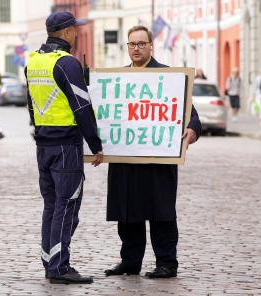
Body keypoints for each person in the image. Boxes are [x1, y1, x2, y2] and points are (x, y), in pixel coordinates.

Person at [104, 25, 202, 279]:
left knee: (161, 213)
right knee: (127, 215)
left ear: (151, 46)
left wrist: (192, 130)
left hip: (158, 160)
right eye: (132, 44)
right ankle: (130, 262)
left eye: (141, 44)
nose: (136, 48)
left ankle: (167, 262)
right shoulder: (116, 79)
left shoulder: (169, 78)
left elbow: (192, 116)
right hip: (125, 159)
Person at [25, 11, 104, 285]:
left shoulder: (33, 62)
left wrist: (39, 133)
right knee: (67, 205)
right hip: (65, 147)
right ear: (67, 32)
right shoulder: (67, 63)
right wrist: (96, 145)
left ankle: (50, 260)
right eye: (75, 29)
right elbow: (82, 108)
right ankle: (59, 267)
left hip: (43, 145)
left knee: (51, 205)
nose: (78, 33)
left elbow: (31, 105)